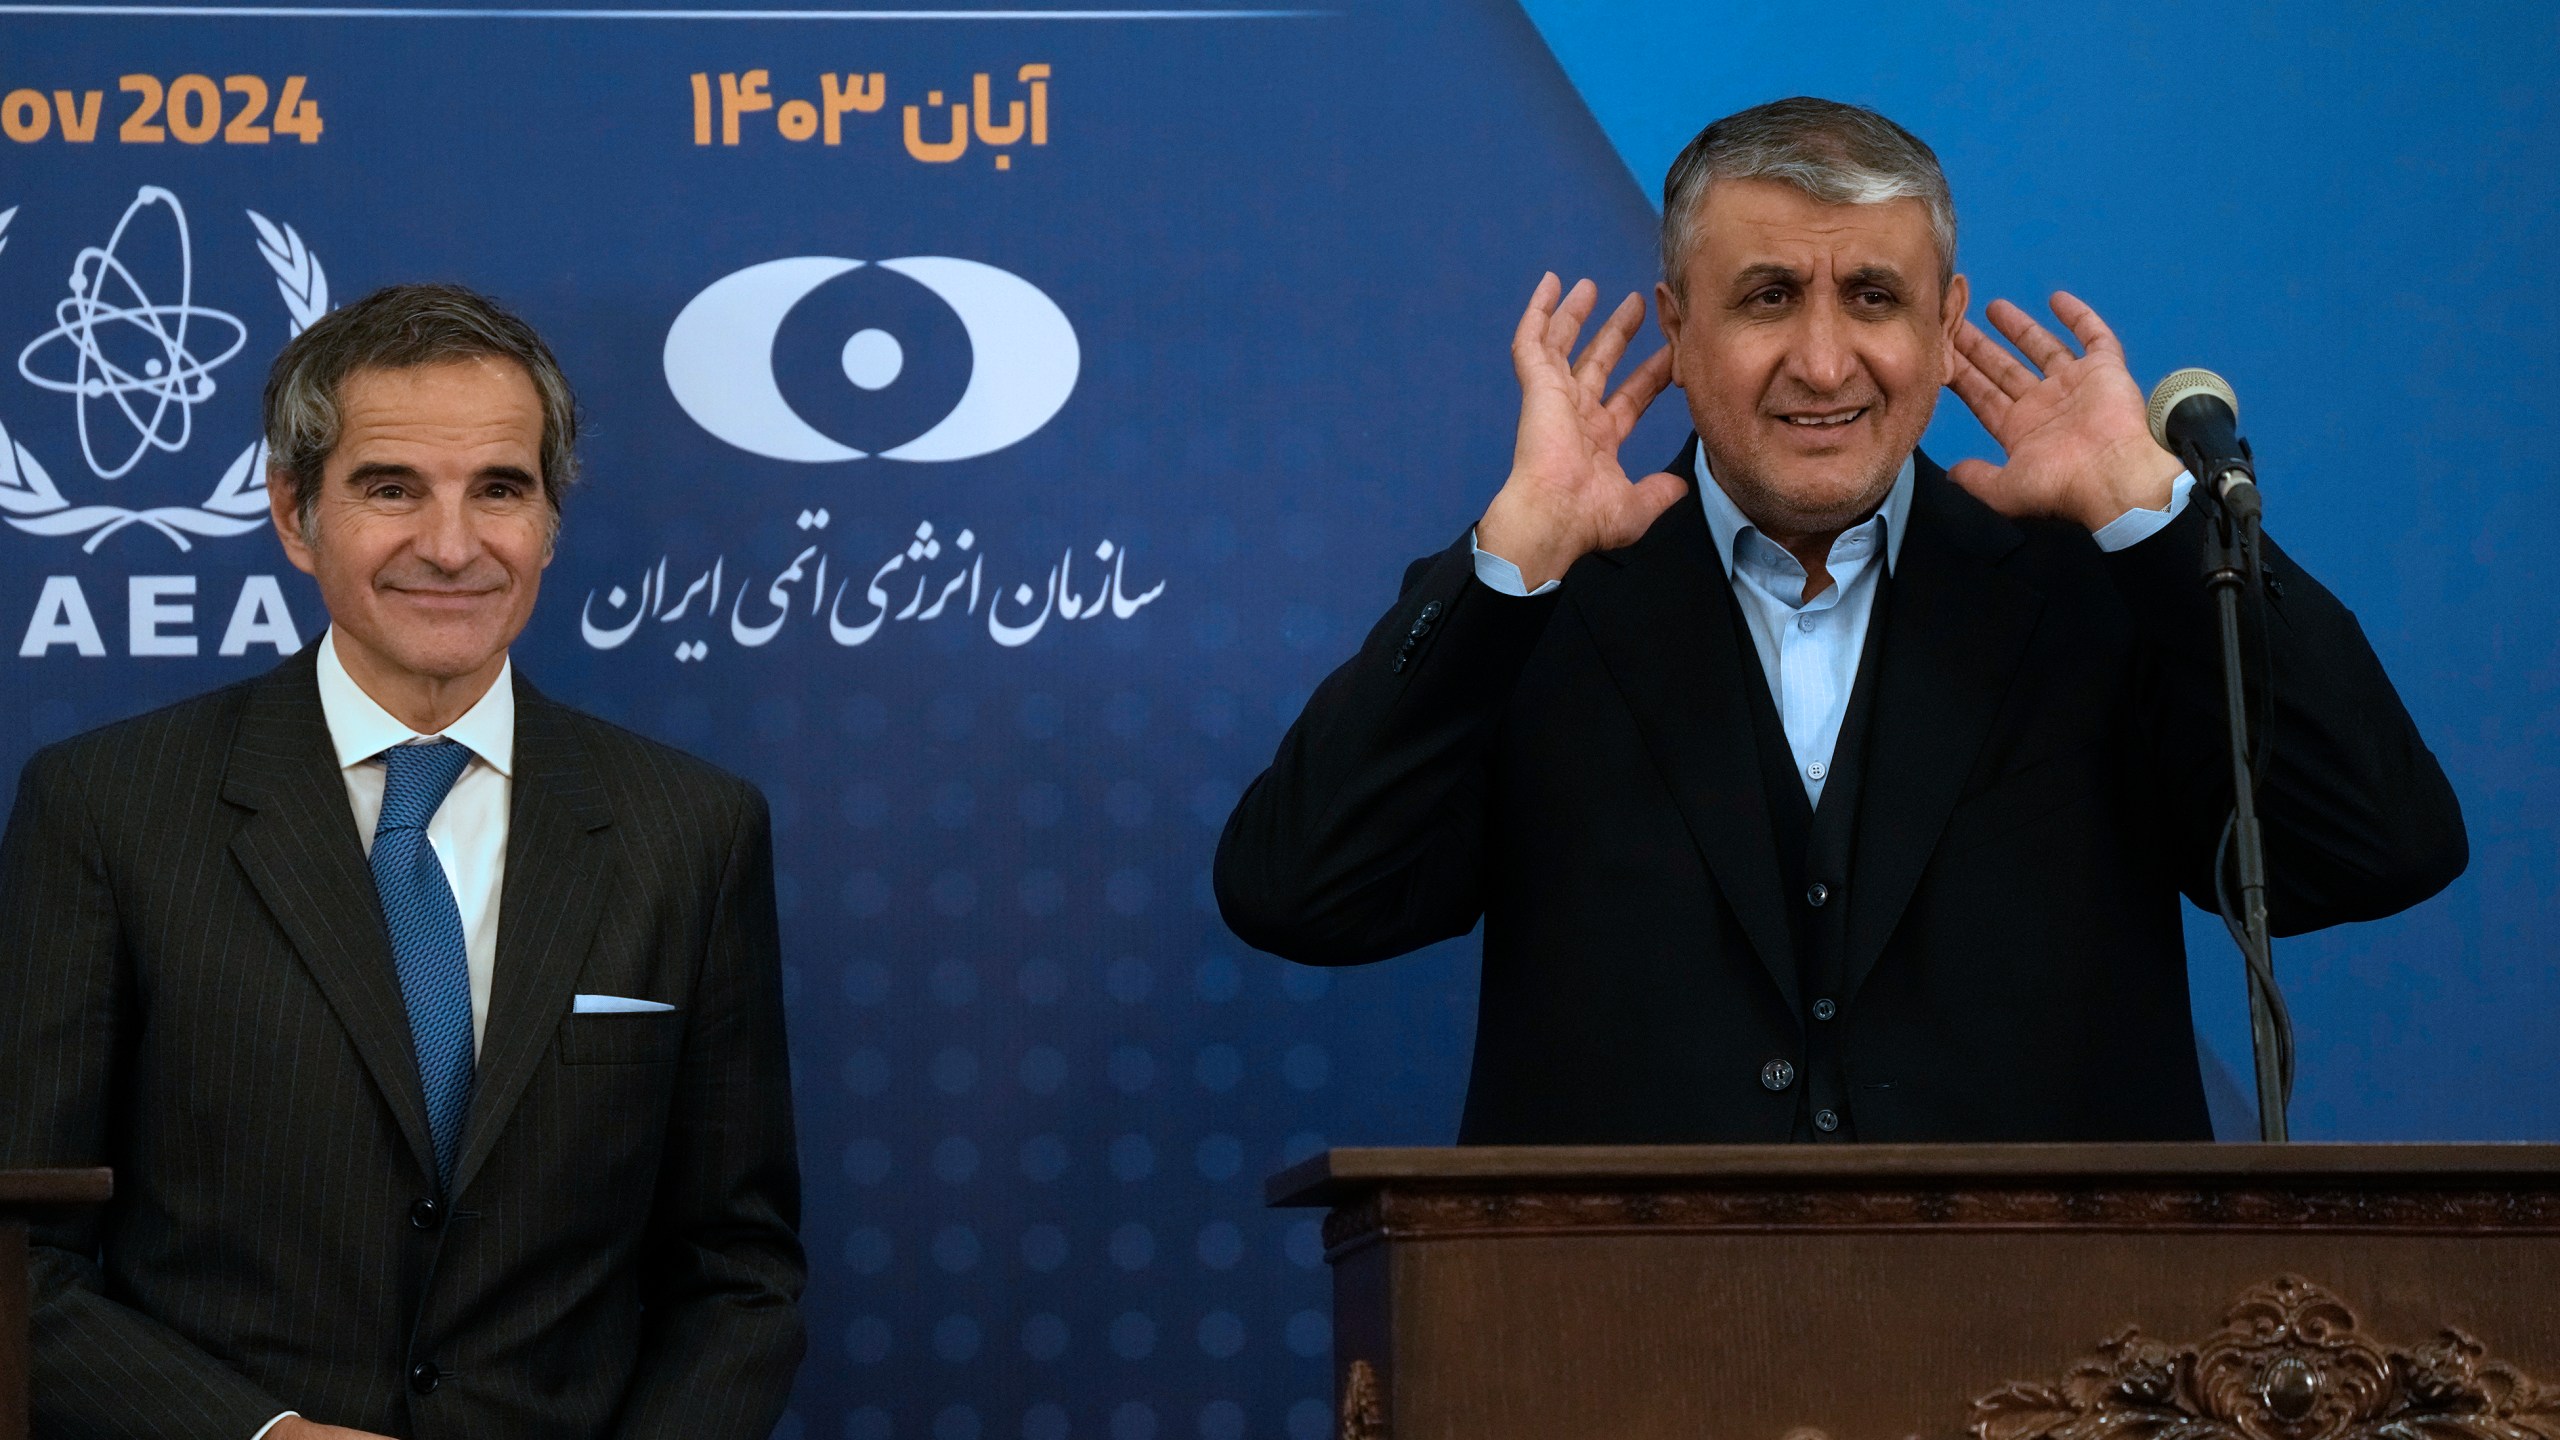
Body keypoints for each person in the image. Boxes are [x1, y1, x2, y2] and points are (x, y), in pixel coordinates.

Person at [1214, 98, 2466, 1144]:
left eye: (1871, 297)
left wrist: (2157, 520)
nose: (1823, 363)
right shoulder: (1533, 605)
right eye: (1766, 298)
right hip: (1625, 1355)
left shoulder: (2100, 591)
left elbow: (2375, 846)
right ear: (1676, 327)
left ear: (1941, 326)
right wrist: (1515, 550)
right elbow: (1300, 895)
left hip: (2066, 1362)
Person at [0, 284, 805, 1438]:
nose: (451, 544)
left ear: (550, 519)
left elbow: (738, 1273)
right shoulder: (105, 809)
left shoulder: (692, 829)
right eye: (391, 489)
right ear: (293, 514)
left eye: (500, 490)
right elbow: (22, 1255)